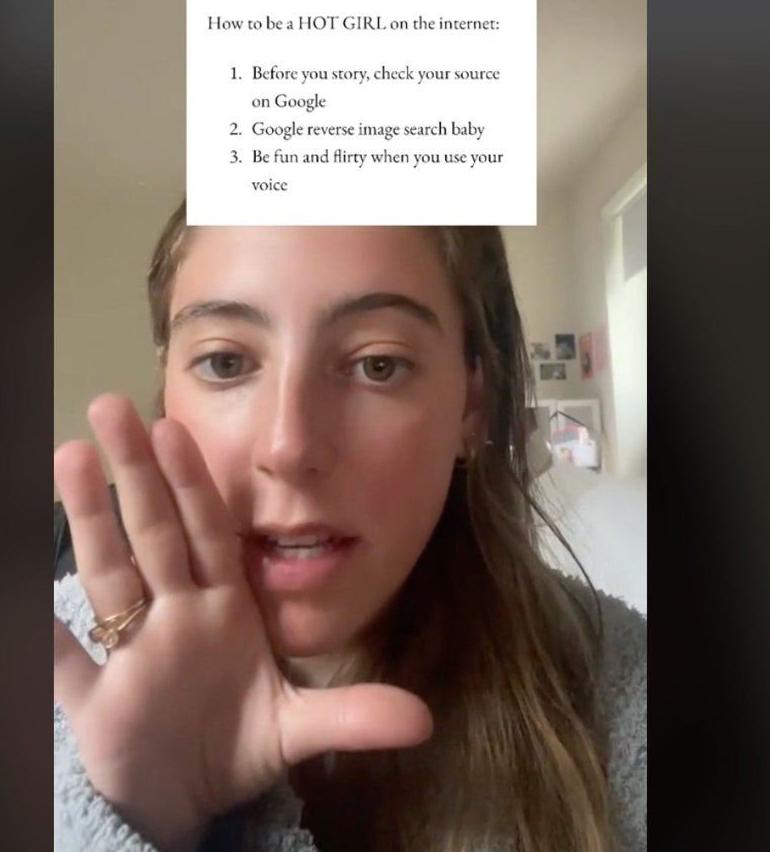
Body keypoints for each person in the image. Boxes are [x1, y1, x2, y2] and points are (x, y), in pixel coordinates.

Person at [53, 204, 647, 851]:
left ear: (471, 406)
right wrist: (143, 823)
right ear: (168, 390)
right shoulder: (47, 667)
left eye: (378, 365)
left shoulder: (628, 696)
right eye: (225, 363)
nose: (288, 446)